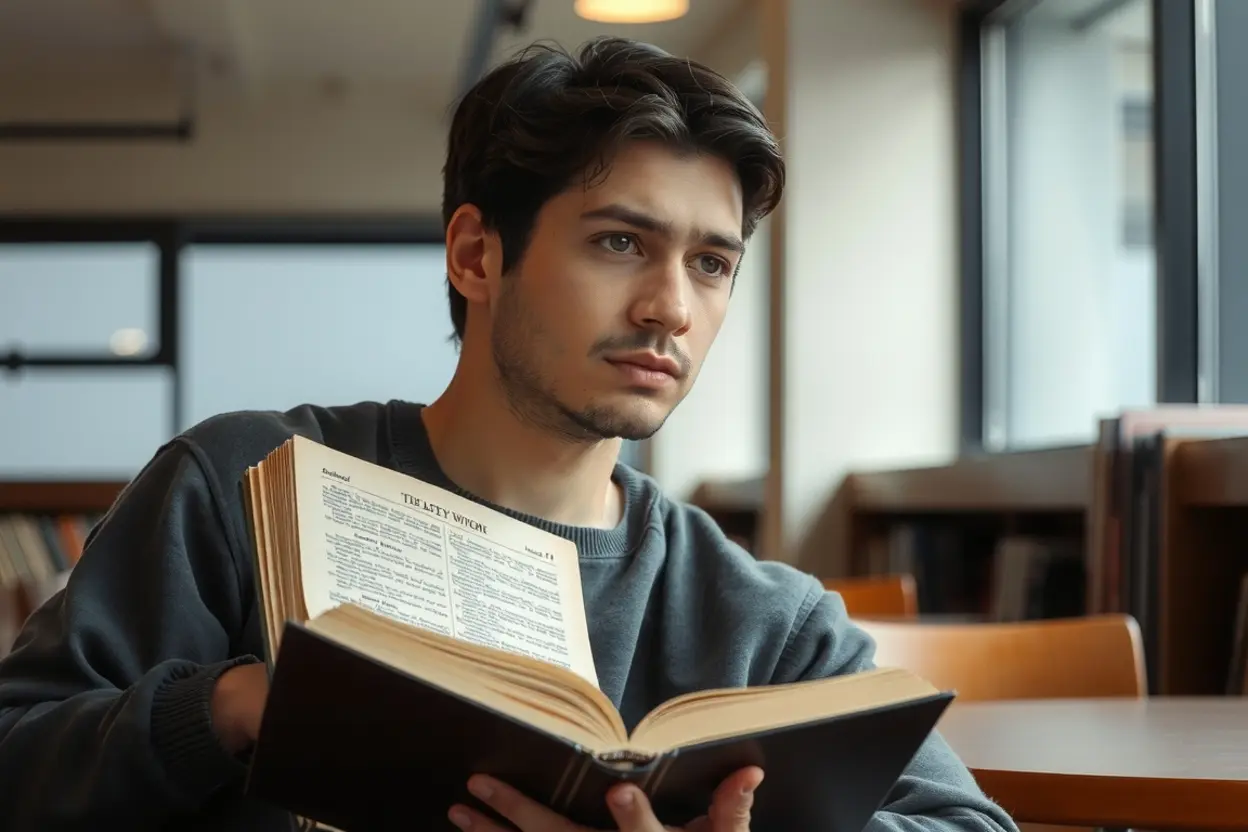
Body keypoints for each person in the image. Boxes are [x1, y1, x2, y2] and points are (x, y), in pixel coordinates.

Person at [0, 37, 1017, 832]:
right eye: (621, 242)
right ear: (476, 254)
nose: (672, 306)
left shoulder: (762, 618)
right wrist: (235, 705)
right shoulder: (241, 483)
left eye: (712, 264)